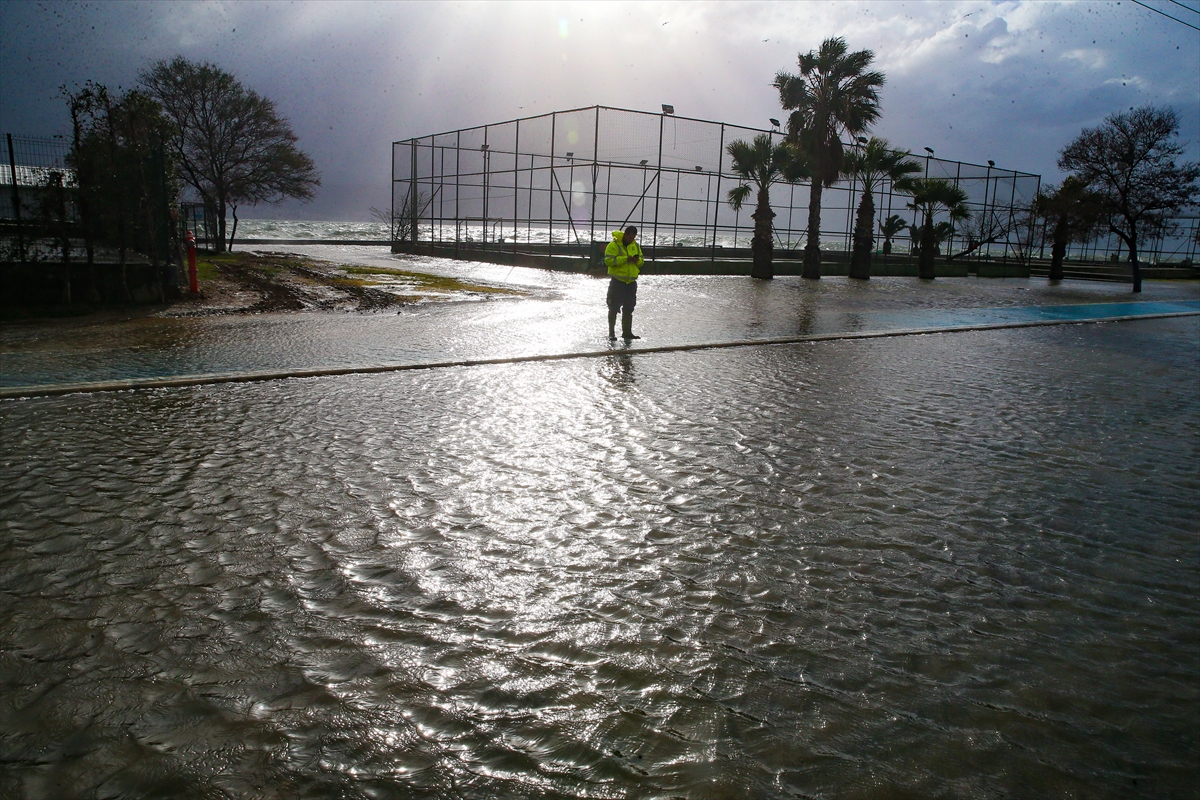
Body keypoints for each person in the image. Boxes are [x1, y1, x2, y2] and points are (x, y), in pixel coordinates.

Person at [604, 225, 645, 340]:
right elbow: (608, 261)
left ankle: (627, 332)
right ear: (625, 234)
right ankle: (611, 333)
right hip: (618, 282)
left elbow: (641, 261)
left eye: (633, 237)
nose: (631, 239)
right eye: (629, 237)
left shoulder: (636, 246)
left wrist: (637, 260)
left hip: (631, 283)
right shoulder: (614, 245)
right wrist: (625, 259)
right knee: (613, 307)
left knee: (629, 307)